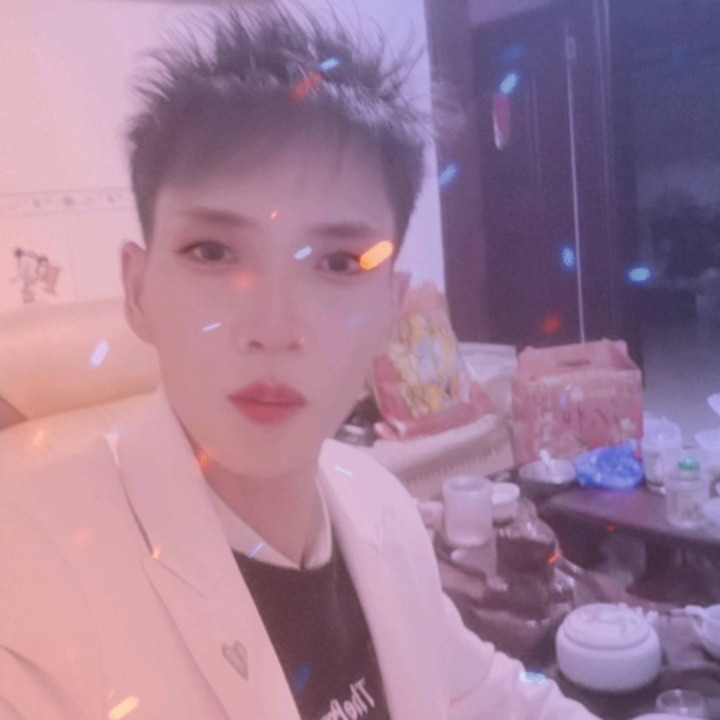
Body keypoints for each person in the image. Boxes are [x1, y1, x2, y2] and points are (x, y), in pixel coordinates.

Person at [0, 7, 599, 720]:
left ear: (389, 311)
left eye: (339, 262)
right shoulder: (28, 589)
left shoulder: (379, 503)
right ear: (138, 291)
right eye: (213, 252)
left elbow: (481, 692)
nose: (275, 329)